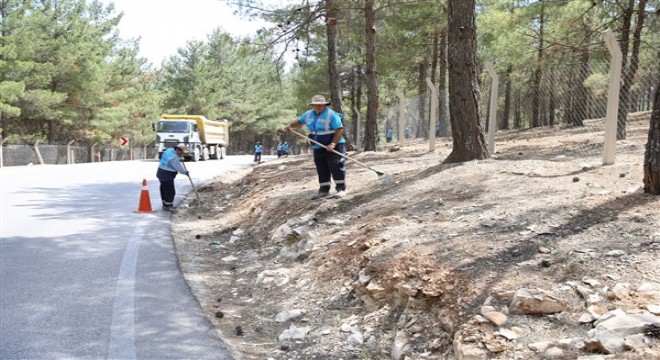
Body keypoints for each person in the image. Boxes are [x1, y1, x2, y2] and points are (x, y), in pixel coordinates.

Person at [285, 94, 347, 199]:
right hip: (318, 146)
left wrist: (333, 144)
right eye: (316, 105)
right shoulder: (308, 115)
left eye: (321, 105)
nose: (319, 107)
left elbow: (339, 129)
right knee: (321, 167)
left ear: (324, 105)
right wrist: (290, 125)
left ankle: (341, 189)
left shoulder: (331, 115)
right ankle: (323, 190)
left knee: (335, 165)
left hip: (334, 145)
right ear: (313, 105)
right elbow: (299, 121)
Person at [156, 143, 190, 211]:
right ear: (179, 150)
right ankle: (168, 205)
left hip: (160, 172)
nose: (182, 154)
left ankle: (165, 204)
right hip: (166, 174)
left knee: (164, 189)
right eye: (182, 152)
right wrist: (185, 172)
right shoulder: (173, 157)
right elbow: (178, 167)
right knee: (170, 191)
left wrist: (179, 157)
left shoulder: (169, 151)